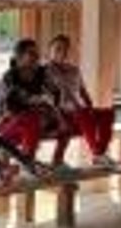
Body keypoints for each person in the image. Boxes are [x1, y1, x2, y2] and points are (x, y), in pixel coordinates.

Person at [43, 34, 115, 167]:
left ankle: (100, 152)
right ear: (49, 51)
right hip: (60, 113)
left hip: (79, 112)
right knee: (82, 113)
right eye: (57, 49)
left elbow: (83, 92)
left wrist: (90, 106)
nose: (61, 52)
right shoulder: (45, 71)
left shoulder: (74, 70)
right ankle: (97, 153)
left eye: (65, 49)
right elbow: (46, 98)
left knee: (107, 113)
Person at [0, 38, 63, 171]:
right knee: (29, 121)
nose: (36, 56)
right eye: (31, 53)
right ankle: (26, 161)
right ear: (20, 56)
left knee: (33, 120)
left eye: (37, 53)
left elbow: (56, 93)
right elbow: (7, 106)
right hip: (13, 120)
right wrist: (36, 100)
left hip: (37, 119)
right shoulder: (10, 76)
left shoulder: (42, 73)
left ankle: (23, 162)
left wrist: (45, 102)